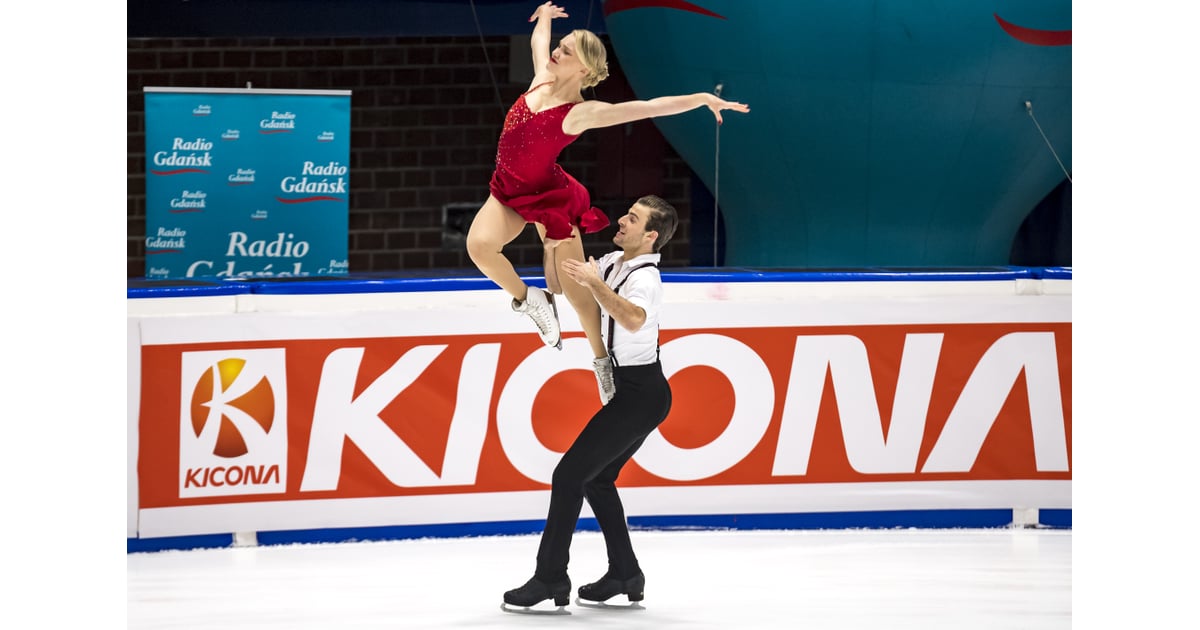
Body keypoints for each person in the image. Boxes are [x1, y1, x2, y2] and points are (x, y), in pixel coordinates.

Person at [465, 1, 749, 404]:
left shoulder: (582, 113)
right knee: (478, 247)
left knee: (576, 288)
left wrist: (701, 98)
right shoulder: (542, 78)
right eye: (560, 46)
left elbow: (647, 108)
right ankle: (530, 299)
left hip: (549, 196)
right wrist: (544, 17)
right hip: (507, 192)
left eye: (567, 50)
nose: (557, 52)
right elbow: (538, 42)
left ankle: (601, 361)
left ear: (583, 69)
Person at [501, 195, 679, 614]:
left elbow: (634, 318)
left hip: (641, 394)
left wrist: (596, 281)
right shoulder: (618, 262)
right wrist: (550, 252)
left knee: (568, 476)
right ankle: (625, 573)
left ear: (650, 235)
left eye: (632, 219)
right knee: (596, 480)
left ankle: (550, 577)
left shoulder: (645, 279)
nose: (621, 220)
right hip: (633, 392)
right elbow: (561, 286)